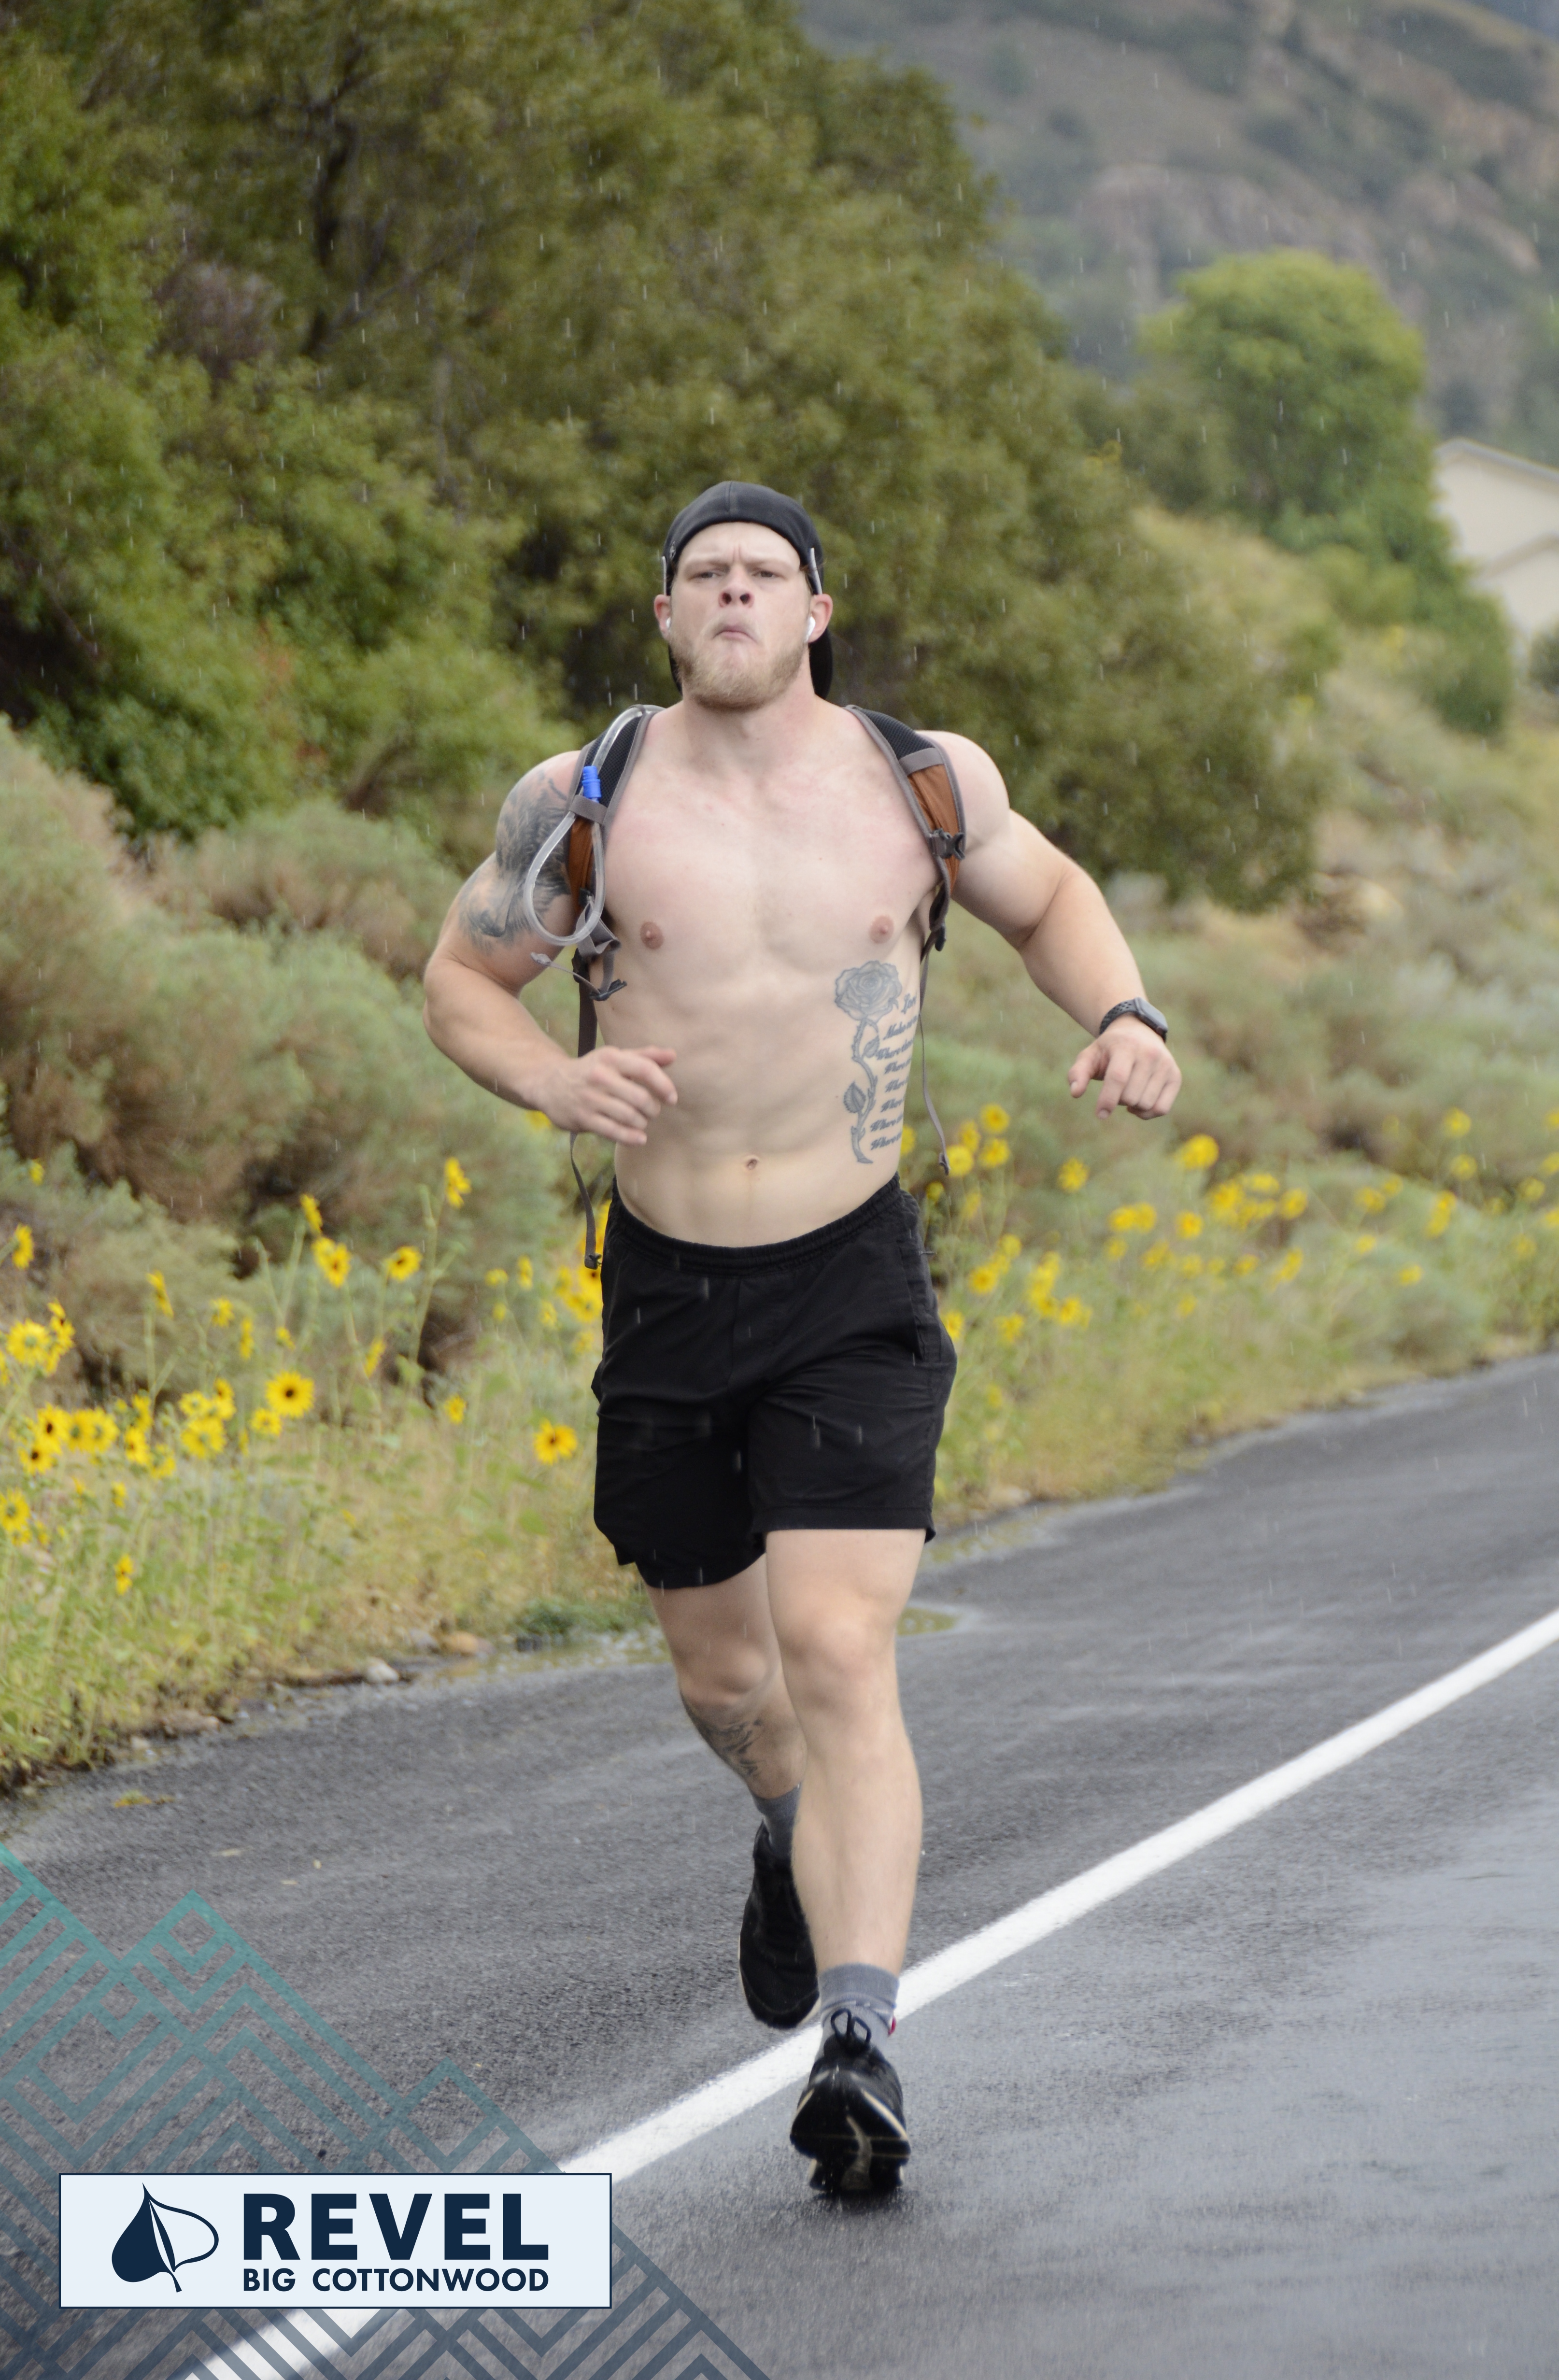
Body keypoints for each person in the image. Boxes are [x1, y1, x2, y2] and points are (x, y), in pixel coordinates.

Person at [422, 481, 1181, 2193]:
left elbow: (1053, 900)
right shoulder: (586, 799)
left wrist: (1127, 1011)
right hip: (670, 1287)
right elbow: (460, 984)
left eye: (764, 573)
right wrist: (550, 1080)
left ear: (818, 610)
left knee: (840, 1653)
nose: (735, 595)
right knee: (728, 1682)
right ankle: (790, 1839)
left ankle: (861, 2038)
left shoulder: (922, 785)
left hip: (852, 1278)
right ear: (666, 616)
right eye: (704, 576)